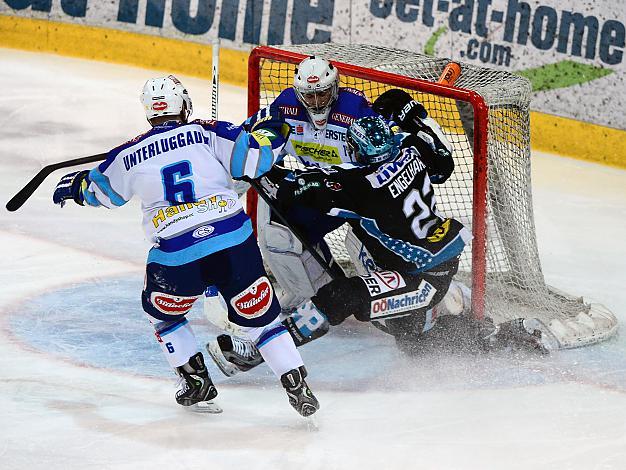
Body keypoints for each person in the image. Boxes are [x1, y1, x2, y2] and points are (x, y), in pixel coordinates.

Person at [51, 75, 319, 417]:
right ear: (184, 103)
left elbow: (103, 194)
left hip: (177, 256)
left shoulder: (126, 154)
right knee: (262, 320)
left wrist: (79, 187)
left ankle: (195, 382)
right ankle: (297, 385)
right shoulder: (210, 131)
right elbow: (255, 161)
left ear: (150, 112)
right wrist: (273, 133)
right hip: (233, 241)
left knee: (162, 315)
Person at [207, 116, 552, 376]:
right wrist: (408, 110)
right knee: (410, 338)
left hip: (423, 276)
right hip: (432, 255)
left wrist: (253, 165)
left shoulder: (363, 187)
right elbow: (438, 157)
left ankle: (258, 351)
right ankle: (495, 333)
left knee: (343, 296)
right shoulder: (409, 150)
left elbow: (293, 188)